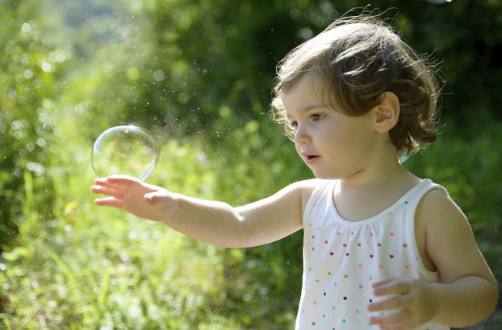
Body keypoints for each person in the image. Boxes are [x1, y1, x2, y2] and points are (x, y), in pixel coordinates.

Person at [91, 12, 498, 330]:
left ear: (382, 114)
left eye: (316, 116)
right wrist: (170, 207)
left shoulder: (424, 208)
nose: (300, 136)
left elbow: (480, 292)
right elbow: (238, 225)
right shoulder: (309, 198)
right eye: (294, 123)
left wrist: (434, 302)